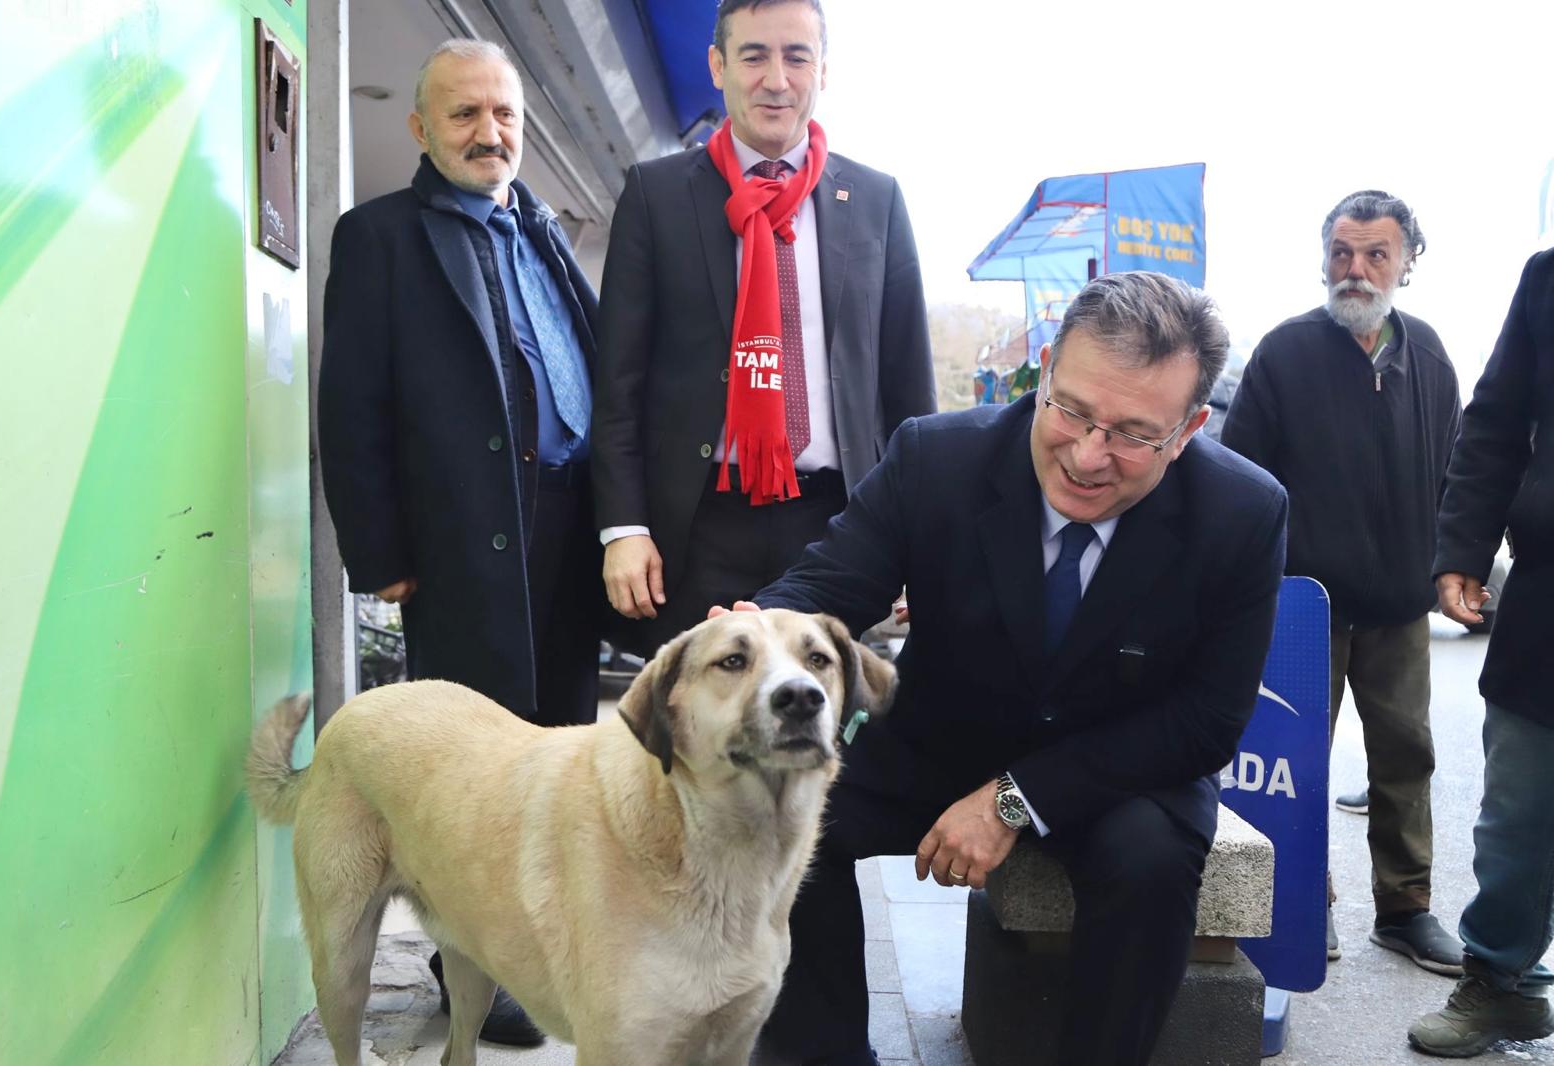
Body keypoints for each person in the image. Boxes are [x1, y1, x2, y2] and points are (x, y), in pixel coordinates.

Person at [741, 272, 1288, 1066]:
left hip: (1121, 766)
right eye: (1071, 409)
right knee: (777, 803)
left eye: (1134, 434)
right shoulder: (936, 458)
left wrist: (1011, 801)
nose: (1088, 454)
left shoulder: (1243, 512)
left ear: (1190, 426)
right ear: (1044, 369)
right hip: (943, 735)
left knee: (1151, 860)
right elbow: (824, 586)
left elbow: (1206, 721)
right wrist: (759, 631)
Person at [317, 37, 604, 1047]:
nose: (489, 133)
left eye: (503, 115)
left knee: (563, 749)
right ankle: (479, 973)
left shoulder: (543, 229)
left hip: (570, 531)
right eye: (464, 116)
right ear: (421, 128)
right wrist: (376, 551)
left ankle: (555, 940)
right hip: (460, 539)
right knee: (472, 775)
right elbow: (349, 407)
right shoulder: (380, 236)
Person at [591, 0, 935, 654]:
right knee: (698, 741)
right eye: (754, 55)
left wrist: (915, 538)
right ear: (719, 66)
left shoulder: (877, 201)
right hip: (695, 531)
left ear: (822, 71)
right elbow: (618, 387)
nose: (776, 79)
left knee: (827, 733)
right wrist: (623, 528)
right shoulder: (654, 197)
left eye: (796, 56)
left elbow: (909, 394)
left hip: (839, 525)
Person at [1222, 190, 1463, 973]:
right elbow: (1241, 479)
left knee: (1406, 754)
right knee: (1295, 762)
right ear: (1324, 257)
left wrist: (1447, 561)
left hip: (1399, 604)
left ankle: (1405, 907)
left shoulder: (1427, 355)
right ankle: (1300, 899)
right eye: (1342, 253)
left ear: (1406, 263)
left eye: (1375, 255)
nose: (1355, 270)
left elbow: (1456, 475)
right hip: (1300, 610)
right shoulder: (1284, 354)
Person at [1407, 249, 1554, 1057]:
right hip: (1548, 597)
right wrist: (1462, 545)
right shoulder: (1547, 278)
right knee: (1520, 816)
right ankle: (1503, 984)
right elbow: (1495, 421)